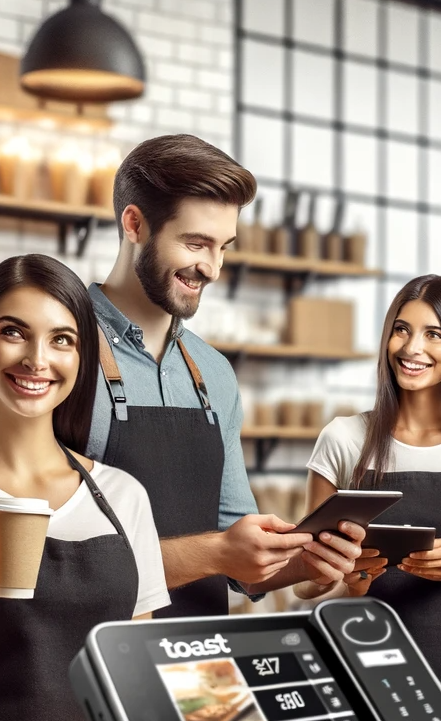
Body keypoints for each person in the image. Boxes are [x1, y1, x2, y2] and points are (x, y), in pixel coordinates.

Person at [89, 133, 362, 618]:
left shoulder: (213, 373)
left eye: (223, 247)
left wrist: (311, 558)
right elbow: (44, 555)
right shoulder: (59, 352)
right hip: (83, 665)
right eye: (195, 243)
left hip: (195, 667)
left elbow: (239, 554)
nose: (212, 268)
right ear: (134, 224)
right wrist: (217, 551)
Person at [0, 255, 170, 721]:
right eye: (15, 332)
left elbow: (139, 670)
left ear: (82, 356)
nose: (38, 359)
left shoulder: (123, 496)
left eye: (62, 339)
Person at [297, 275, 441, 721]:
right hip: (362, 670)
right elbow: (306, 582)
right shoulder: (344, 439)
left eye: (434, 334)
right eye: (401, 329)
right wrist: (351, 580)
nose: (411, 348)